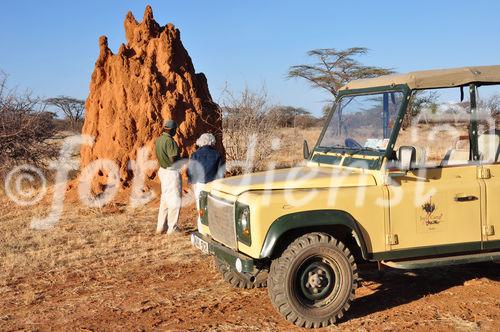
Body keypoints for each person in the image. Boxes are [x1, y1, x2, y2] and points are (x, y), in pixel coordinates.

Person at [187, 133, 224, 217]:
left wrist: (192, 182)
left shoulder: (195, 155)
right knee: (212, 205)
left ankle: (201, 226)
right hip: (212, 183)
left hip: (199, 183)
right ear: (212, 142)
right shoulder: (217, 154)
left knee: (200, 206)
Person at [155, 119, 182, 235]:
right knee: (175, 200)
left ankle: (161, 227)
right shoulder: (170, 141)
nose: (176, 132)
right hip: (171, 172)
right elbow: (173, 158)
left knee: (165, 199)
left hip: (163, 171)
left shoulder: (159, 140)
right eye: (175, 130)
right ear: (171, 130)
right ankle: (173, 228)